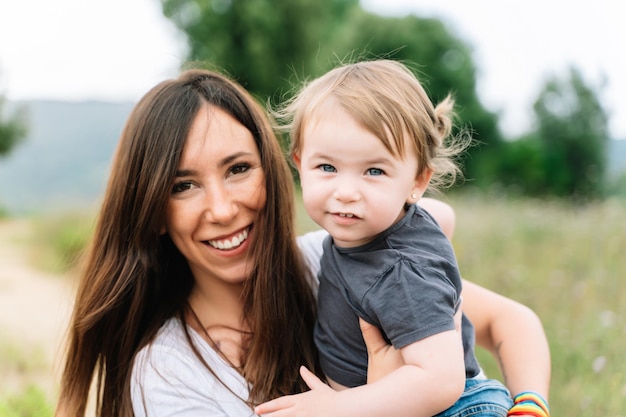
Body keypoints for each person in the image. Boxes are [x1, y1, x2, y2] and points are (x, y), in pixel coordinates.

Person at [54, 68, 550, 417]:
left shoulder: (330, 260)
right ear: (154, 211)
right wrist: (379, 394)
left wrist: (529, 404)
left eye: (238, 169)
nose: (222, 208)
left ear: (273, 171)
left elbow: (510, 321)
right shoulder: (168, 371)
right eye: (183, 185)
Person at [256, 60, 546, 417]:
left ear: (417, 182)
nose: (346, 191)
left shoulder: (399, 272)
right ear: (300, 165)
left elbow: (441, 380)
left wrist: (335, 408)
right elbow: (442, 216)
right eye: (327, 167)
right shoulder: (382, 231)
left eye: (374, 171)